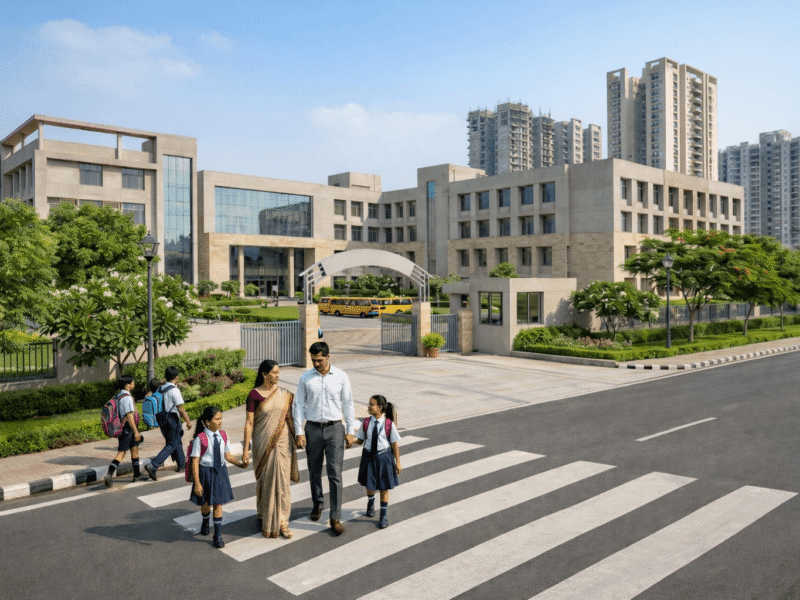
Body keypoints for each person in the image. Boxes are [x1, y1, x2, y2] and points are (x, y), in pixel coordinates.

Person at [293, 341, 355, 536]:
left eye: (319, 360)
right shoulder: (305, 378)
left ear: (328, 357)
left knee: (335, 473)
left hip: (335, 428)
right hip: (312, 429)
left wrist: (350, 430)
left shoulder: (341, 377)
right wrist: (299, 431)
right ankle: (317, 504)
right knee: (313, 471)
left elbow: (348, 404)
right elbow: (299, 405)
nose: (316, 364)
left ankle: (335, 517)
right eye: (313, 360)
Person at [242, 359, 300, 538]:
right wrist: (246, 449)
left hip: (282, 443)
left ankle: (282, 522)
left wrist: (298, 436)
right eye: (273, 373)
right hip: (262, 443)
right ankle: (264, 515)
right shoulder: (254, 395)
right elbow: (250, 423)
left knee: (282, 483)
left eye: (278, 372)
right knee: (265, 482)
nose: (277, 376)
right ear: (264, 374)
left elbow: (289, 419)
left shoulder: (285, 394)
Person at [189, 406, 247, 548]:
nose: (220, 421)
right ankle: (205, 520)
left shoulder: (223, 435)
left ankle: (217, 535)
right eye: (217, 419)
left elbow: (227, 455)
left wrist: (239, 464)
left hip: (220, 472)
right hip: (205, 473)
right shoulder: (200, 439)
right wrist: (197, 483)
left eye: (221, 418)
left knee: (218, 503)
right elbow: (195, 461)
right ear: (207, 422)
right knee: (205, 503)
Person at [354, 395, 402, 528]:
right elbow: (360, 440)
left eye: (372, 405)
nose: (369, 407)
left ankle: (383, 516)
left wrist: (397, 462)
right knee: (369, 485)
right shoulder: (366, 422)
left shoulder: (388, 424)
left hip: (384, 457)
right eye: (369, 404)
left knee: (384, 487)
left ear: (380, 408)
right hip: (369, 456)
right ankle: (370, 502)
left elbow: (394, 445)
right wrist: (352, 440)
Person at [144, 367, 192, 481]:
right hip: (172, 420)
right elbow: (180, 408)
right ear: (177, 377)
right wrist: (188, 421)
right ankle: (153, 465)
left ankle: (181, 465)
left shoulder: (160, 388)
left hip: (162, 419)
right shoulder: (174, 390)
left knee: (176, 441)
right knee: (171, 444)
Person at [102, 375, 145, 487]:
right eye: (132, 382)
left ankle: (137, 475)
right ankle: (109, 474)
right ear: (128, 385)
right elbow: (129, 415)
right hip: (127, 428)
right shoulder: (127, 397)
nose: (134, 384)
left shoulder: (118, 395)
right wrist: (135, 431)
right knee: (121, 453)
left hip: (123, 427)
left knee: (134, 449)